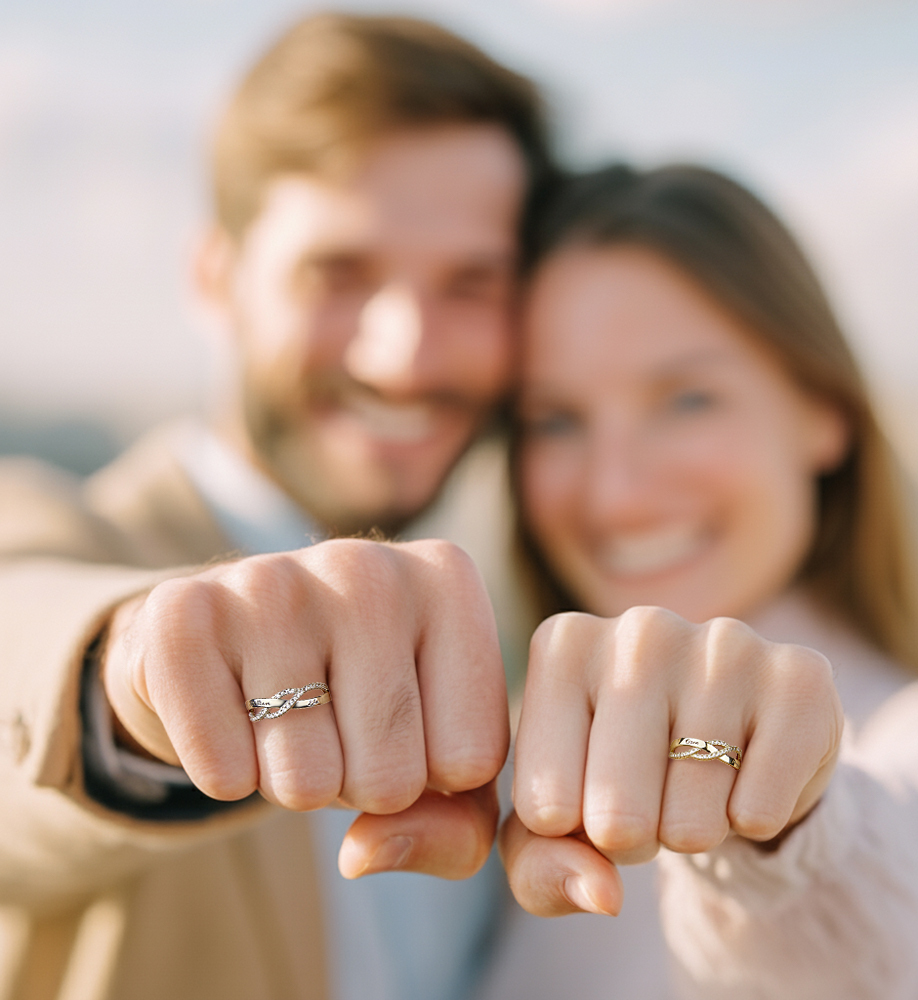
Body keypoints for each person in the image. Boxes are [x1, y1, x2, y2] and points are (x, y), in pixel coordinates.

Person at [0, 13, 555, 1000]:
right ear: (216, 280)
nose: (406, 355)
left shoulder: (527, 618)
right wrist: (137, 679)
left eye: (471, 283)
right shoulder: (69, 539)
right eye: (338, 273)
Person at [488, 164, 918, 998]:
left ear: (823, 411)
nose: (614, 492)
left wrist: (780, 827)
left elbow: (878, 916)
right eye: (555, 420)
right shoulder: (510, 776)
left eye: (687, 399)